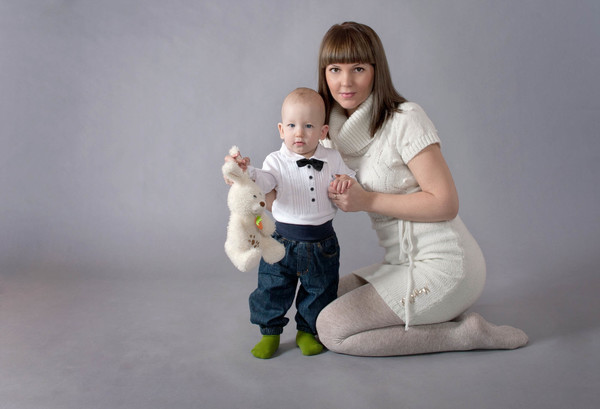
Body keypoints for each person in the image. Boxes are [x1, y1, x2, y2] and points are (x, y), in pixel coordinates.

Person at [314, 22, 528, 356]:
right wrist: (250, 182)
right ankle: (430, 313)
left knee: (332, 329)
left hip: (446, 265)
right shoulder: (329, 135)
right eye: (335, 69)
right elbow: (295, 176)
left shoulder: (405, 119)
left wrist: (367, 200)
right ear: (324, 74)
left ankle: (464, 334)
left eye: (358, 68)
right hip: (399, 264)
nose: (345, 82)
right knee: (316, 303)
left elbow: (445, 203)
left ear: (376, 70)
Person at [226, 87, 355, 359]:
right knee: (272, 288)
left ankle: (306, 331)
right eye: (292, 125)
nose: (299, 133)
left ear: (323, 132)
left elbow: (351, 176)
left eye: (308, 126)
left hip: (322, 243)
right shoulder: (276, 160)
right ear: (281, 130)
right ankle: (269, 333)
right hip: (282, 241)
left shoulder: (332, 158)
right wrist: (247, 172)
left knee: (319, 290)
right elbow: (263, 182)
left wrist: (346, 180)